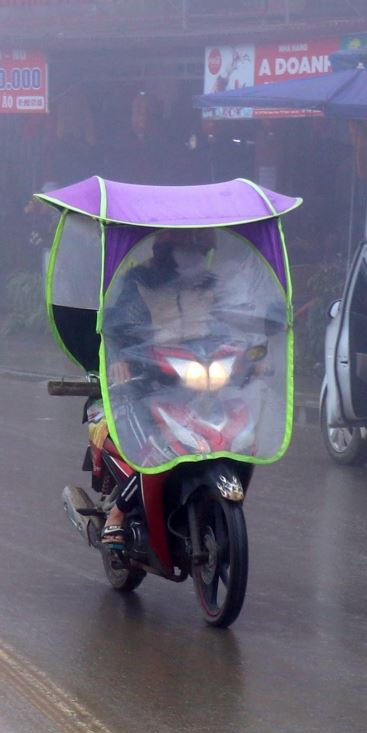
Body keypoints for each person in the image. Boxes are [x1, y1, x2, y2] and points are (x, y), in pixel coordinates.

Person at [100, 228, 220, 549]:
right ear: (165, 251)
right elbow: (114, 327)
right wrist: (119, 360)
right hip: (148, 380)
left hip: (199, 382)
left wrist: (253, 357)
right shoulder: (140, 281)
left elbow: (229, 327)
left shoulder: (208, 284)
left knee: (230, 436)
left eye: (198, 250)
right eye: (185, 249)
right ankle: (118, 513)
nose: (193, 256)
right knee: (160, 448)